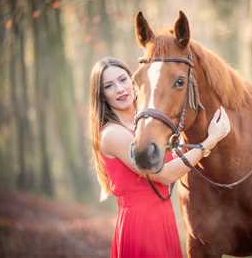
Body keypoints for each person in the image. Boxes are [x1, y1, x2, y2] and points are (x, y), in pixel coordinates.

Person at [89, 57, 231, 258]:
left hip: (163, 216)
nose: (120, 89)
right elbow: (163, 175)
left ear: (133, 80)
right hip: (140, 225)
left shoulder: (147, 126)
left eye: (123, 79)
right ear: (102, 96)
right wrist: (210, 141)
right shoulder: (112, 134)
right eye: (109, 86)